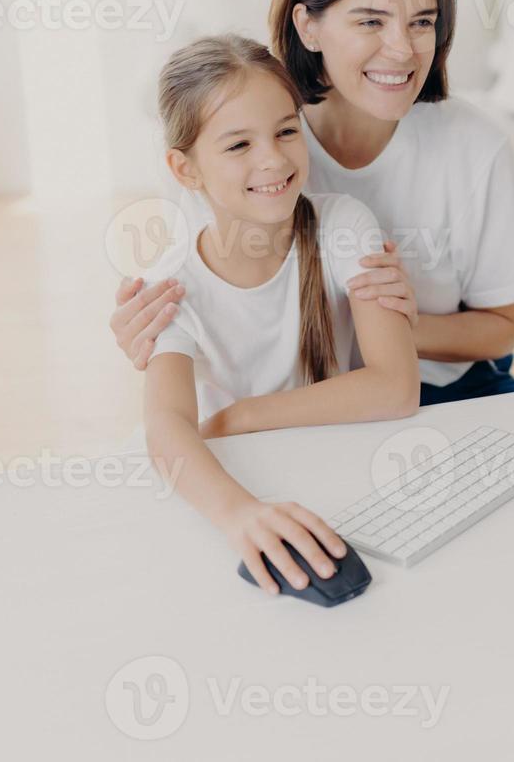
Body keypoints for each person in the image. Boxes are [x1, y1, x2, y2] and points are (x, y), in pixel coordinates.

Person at [112, 0, 514, 405]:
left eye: (422, 22)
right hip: (300, 395)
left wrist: (389, 331)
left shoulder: (475, 147)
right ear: (307, 26)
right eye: (371, 22)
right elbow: (203, 300)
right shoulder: (245, 146)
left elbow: (502, 328)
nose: (402, 49)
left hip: (447, 385)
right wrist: (152, 332)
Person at [141, 33, 418, 595]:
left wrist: (238, 416)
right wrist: (240, 515)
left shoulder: (344, 225)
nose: (273, 158)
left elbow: (396, 387)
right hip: (238, 475)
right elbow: (166, 427)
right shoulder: (171, 286)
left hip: (340, 460)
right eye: (238, 145)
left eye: (286, 131)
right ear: (185, 168)